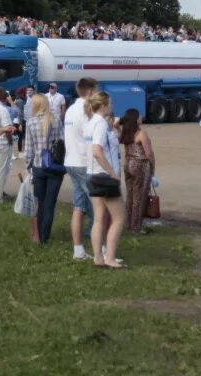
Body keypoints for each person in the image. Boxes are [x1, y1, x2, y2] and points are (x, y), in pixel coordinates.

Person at [86, 92, 125, 268]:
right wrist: (112, 173)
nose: (111, 105)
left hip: (92, 174)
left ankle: (98, 258)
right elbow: (97, 150)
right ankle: (109, 257)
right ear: (103, 105)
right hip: (103, 176)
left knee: (98, 218)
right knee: (119, 218)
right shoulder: (101, 124)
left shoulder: (90, 122)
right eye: (109, 102)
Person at [23, 92, 65, 245]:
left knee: (39, 202)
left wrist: (29, 168)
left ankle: (39, 235)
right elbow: (62, 142)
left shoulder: (31, 123)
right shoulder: (56, 120)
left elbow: (28, 150)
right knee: (50, 203)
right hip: (55, 166)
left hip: (39, 166)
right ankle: (45, 235)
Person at [63, 77, 98, 260]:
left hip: (71, 161)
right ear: (91, 91)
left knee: (79, 207)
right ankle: (101, 248)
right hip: (85, 163)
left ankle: (79, 250)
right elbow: (91, 137)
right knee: (98, 207)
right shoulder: (87, 110)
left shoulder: (70, 110)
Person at [120, 109, 155, 233]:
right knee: (139, 196)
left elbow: (116, 127)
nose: (141, 117)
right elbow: (149, 154)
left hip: (127, 163)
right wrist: (153, 169)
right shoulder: (141, 134)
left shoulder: (125, 133)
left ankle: (128, 223)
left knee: (130, 195)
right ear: (136, 119)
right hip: (140, 165)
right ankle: (136, 226)